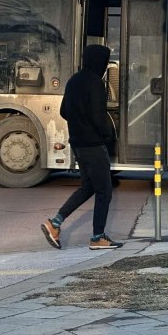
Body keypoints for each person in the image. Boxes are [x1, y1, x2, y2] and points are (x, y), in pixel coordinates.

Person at [41, 45, 123, 250]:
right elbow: (99, 117)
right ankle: (97, 237)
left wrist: (79, 123)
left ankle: (55, 223)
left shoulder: (73, 80)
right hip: (94, 145)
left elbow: (63, 111)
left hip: (77, 143)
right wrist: (107, 134)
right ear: (100, 62)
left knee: (88, 187)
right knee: (104, 190)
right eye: (104, 62)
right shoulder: (96, 83)